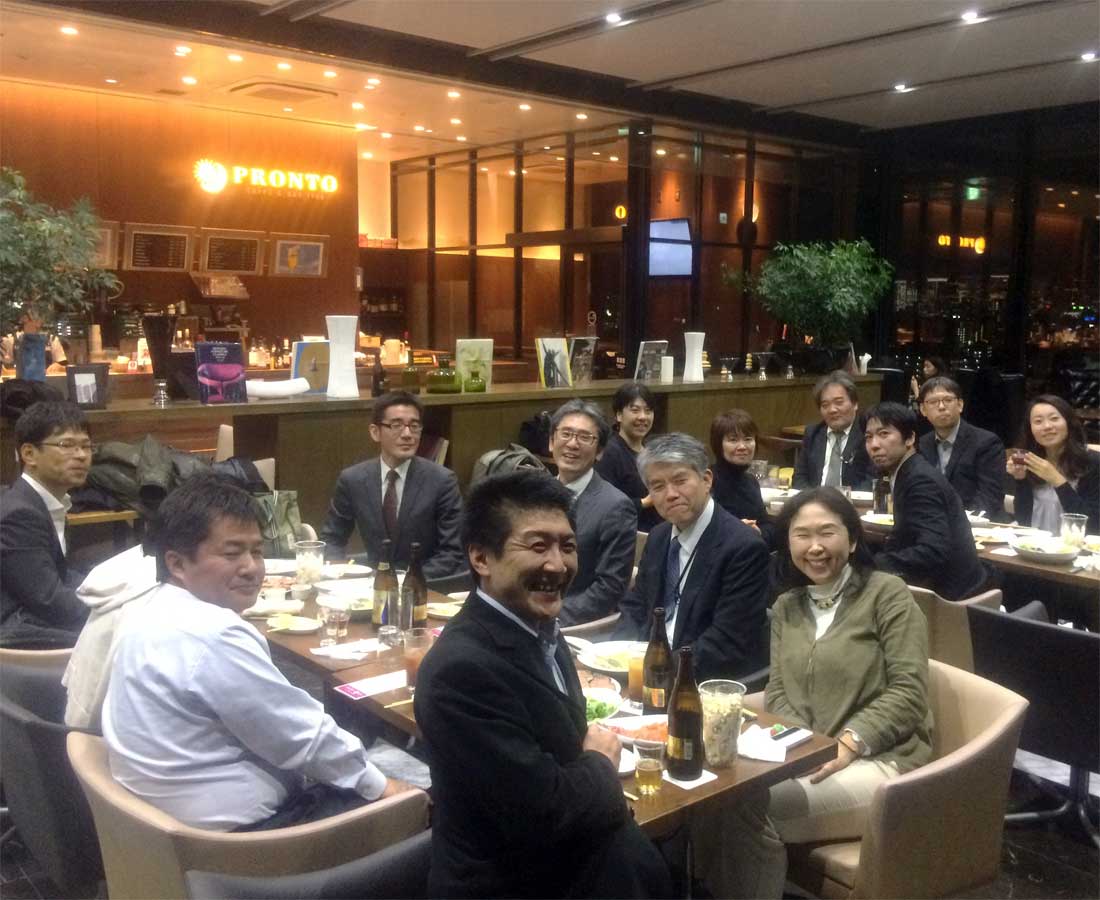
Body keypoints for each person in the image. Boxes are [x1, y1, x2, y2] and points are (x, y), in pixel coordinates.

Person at [102, 475, 416, 831]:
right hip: (246, 837)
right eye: (232, 553)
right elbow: (298, 736)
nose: (251, 567)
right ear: (177, 564)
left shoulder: (150, 607)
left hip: (161, 812)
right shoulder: (212, 634)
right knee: (426, 795)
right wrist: (383, 786)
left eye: (257, 551)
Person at [414, 470, 672, 899]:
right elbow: (544, 814)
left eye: (567, 546)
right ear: (481, 558)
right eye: (537, 546)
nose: (557, 564)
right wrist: (600, 763)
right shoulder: (460, 671)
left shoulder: (541, 629)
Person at [696, 486, 932, 899]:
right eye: (802, 535)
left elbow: (908, 690)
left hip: (883, 761)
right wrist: (803, 746)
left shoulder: (886, 594)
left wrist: (849, 743)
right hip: (809, 756)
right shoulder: (788, 606)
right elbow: (779, 689)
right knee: (707, 791)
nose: (815, 547)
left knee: (745, 805)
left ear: (852, 540)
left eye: (827, 532)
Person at [615, 433, 769, 681]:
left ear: (706, 479)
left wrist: (658, 670)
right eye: (658, 486)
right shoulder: (659, 536)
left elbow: (726, 642)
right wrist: (616, 659)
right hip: (645, 669)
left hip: (700, 680)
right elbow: (636, 605)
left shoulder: (743, 547)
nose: (670, 494)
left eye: (680, 481)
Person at [320, 390, 464, 577]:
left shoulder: (442, 481)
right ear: (375, 432)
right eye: (396, 425)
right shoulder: (352, 480)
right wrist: (338, 575)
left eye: (414, 426)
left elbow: (452, 553)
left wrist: (405, 581)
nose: (407, 434)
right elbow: (331, 540)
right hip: (370, 585)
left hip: (424, 585)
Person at [865, 402, 987, 601]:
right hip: (940, 587)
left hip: (949, 598)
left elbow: (933, 551)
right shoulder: (909, 471)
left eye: (884, 434)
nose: (874, 445)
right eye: (868, 437)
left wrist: (870, 564)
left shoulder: (920, 480)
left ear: (910, 438)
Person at [1, 400, 91, 648]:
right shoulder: (18, 514)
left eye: (86, 446)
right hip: (13, 634)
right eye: (66, 445)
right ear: (29, 454)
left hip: (33, 618)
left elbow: (58, 574)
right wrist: (114, 613)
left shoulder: (51, 501)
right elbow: (47, 599)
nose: (81, 455)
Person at [548, 399, 637, 626]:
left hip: (573, 625)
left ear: (600, 452)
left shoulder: (616, 507)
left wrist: (547, 615)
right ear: (551, 442)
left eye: (585, 437)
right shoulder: (533, 494)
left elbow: (609, 588)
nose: (572, 444)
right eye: (566, 434)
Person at [916, 376, 1006, 520]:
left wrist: (956, 523)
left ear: (960, 405)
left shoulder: (987, 443)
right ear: (923, 410)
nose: (941, 407)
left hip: (977, 525)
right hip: (932, 523)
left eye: (948, 400)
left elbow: (989, 497)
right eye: (933, 402)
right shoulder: (921, 445)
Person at [1008, 394, 1100, 535]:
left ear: (1068, 422)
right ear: (1030, 429)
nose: (1047, 426)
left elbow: (1093, 525)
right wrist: (1020, 480)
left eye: (1054, 419)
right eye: (1038, 421)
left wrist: (1057, 480)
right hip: (1034, 543)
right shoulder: (1031, 460)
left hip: (1076, 546)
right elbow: (1023, 519)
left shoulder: (1092, 463)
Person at [595, 382, 662, 532]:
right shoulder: (609, 453)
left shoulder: (651, 449)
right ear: (619, 415)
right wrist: (645, 502)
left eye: (648, 411)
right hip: (628, 533)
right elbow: (603, 506)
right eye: (635, 410)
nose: (642, 417)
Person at [792, 371, 873, 491]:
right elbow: (799, 478)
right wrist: (814, 499)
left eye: (839, 402)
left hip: (852, 500)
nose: (832, 410)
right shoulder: (813, 433)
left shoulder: (867, 434)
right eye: (825, 405)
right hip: (816, 499)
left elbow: (871, 480)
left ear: (855, 404)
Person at [709, 408, 775, 548]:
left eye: (748, 439)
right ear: (718, 445)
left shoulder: (750, 481)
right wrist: (736, 530)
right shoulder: (707, 481)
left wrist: (759, 532)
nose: (742, 446)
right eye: (733, 440)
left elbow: (767, 525)